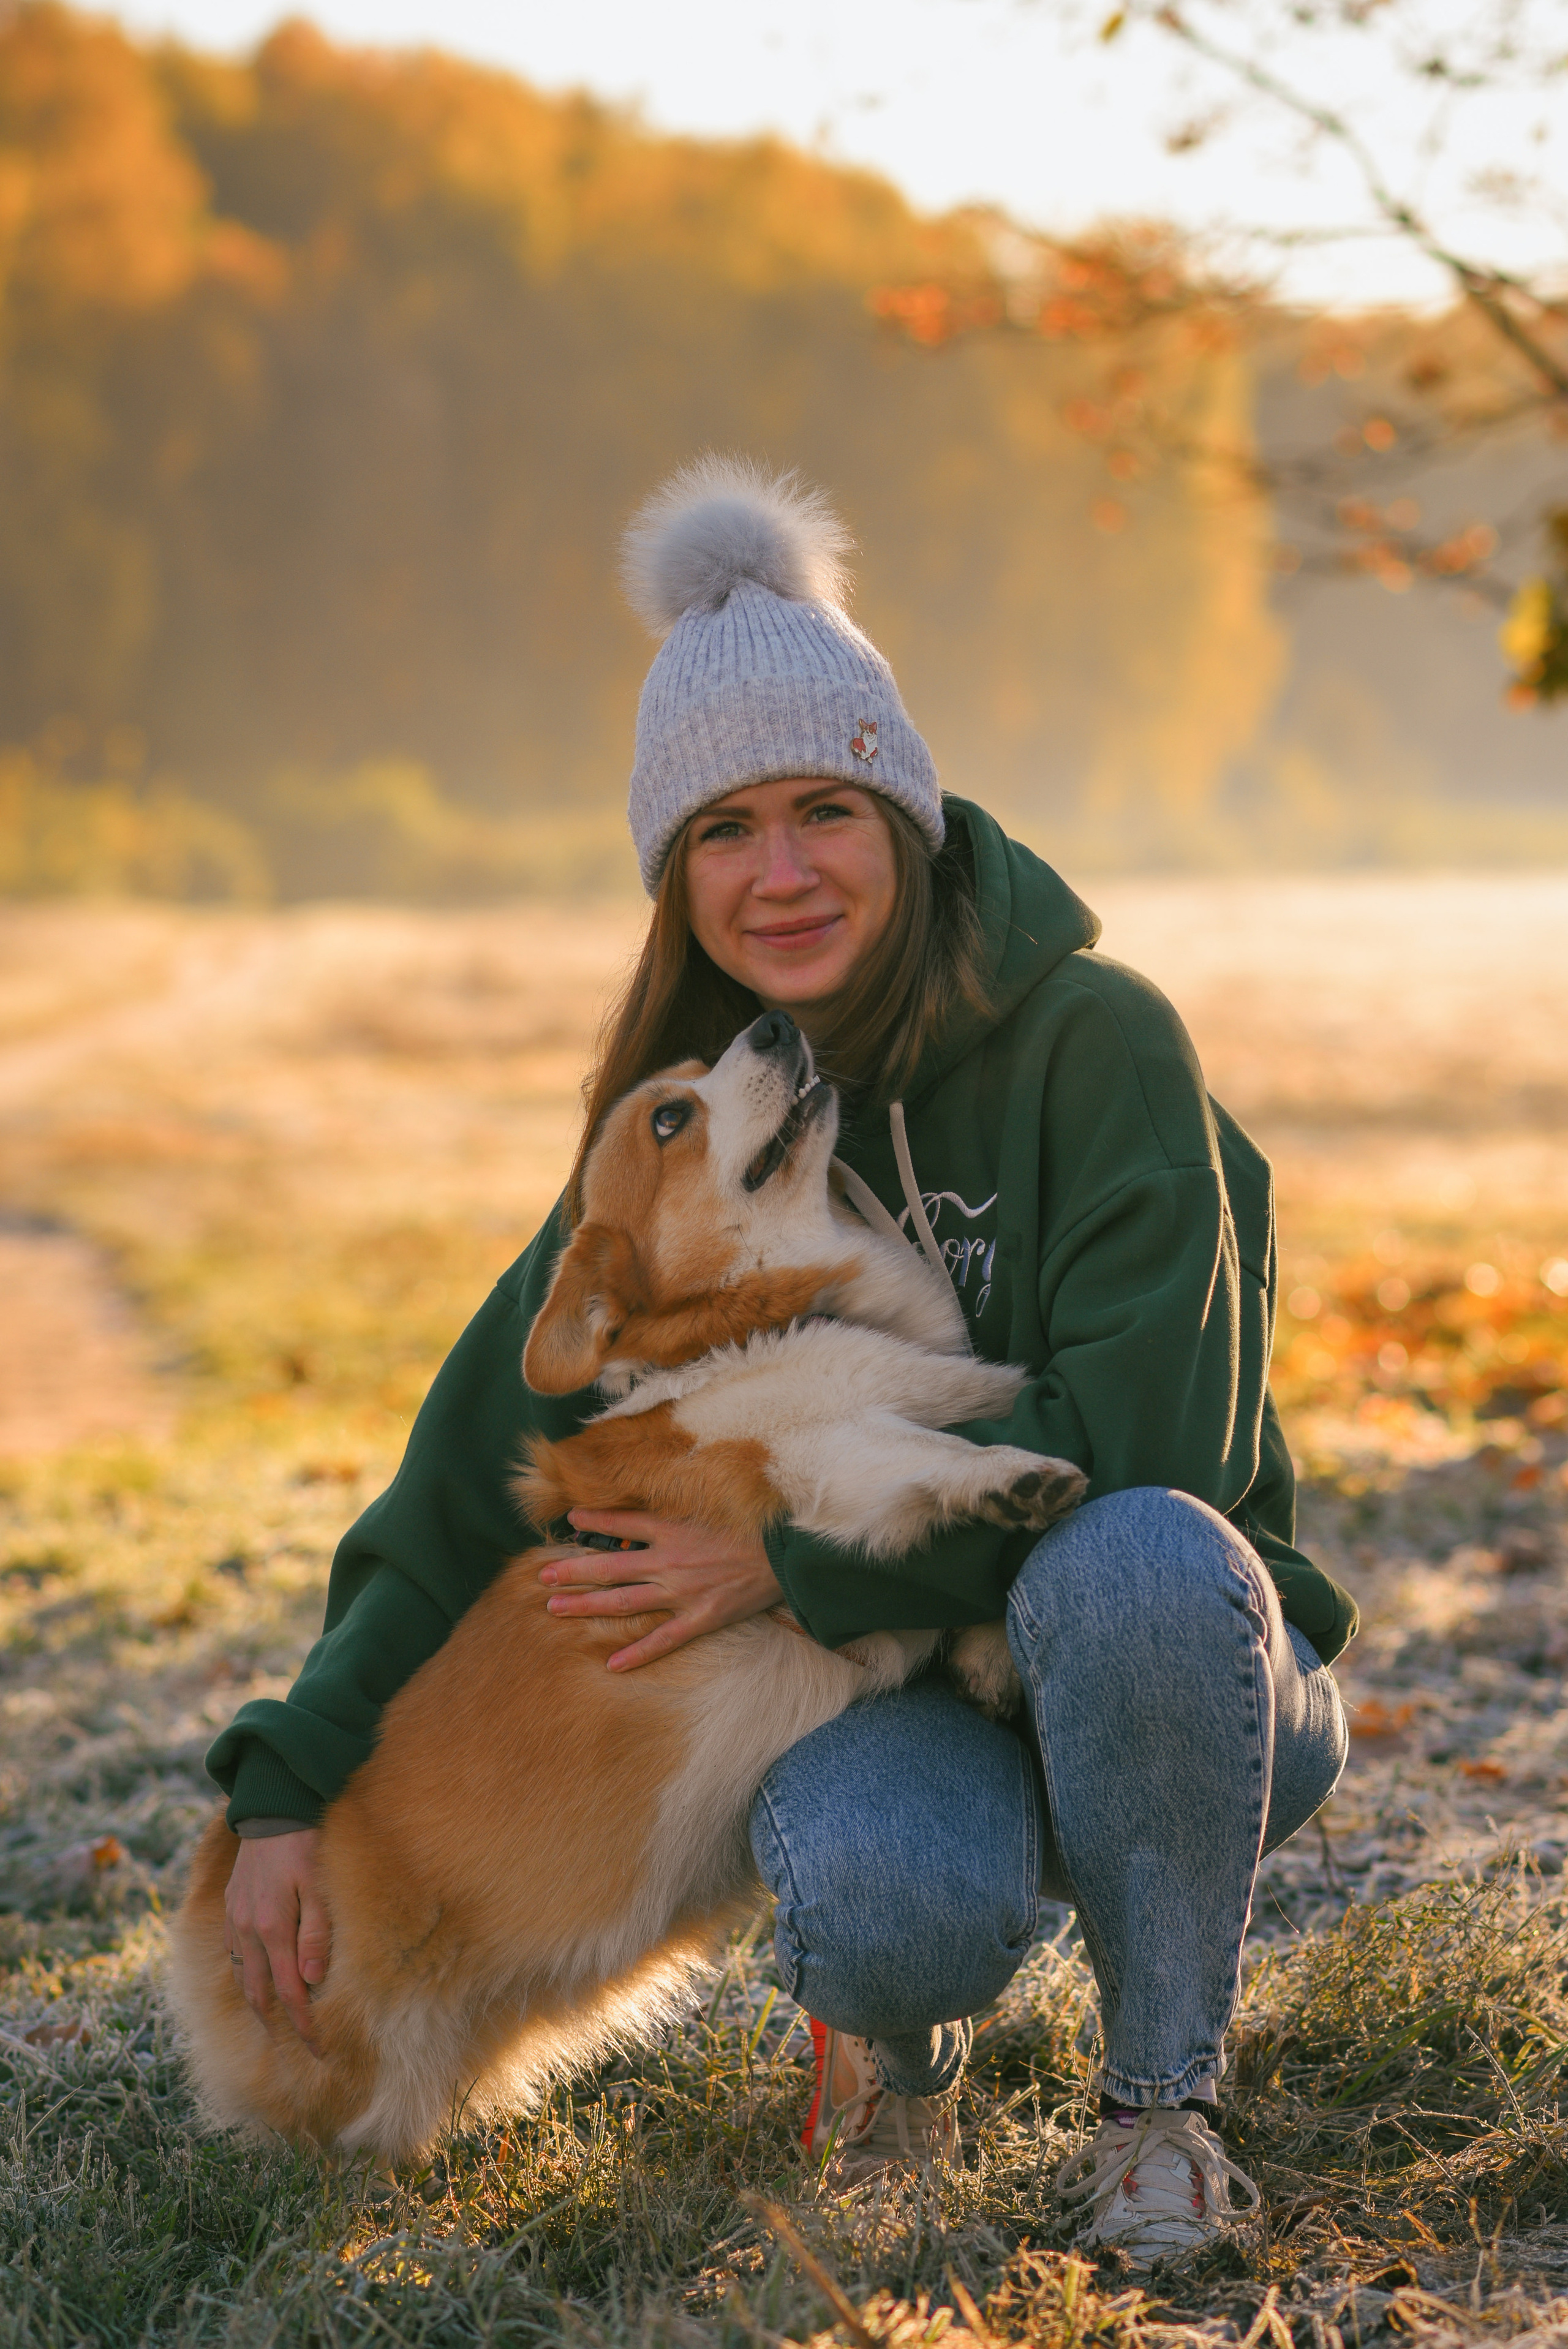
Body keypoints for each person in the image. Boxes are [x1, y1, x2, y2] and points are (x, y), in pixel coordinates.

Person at [209, 454, 1355, 2264]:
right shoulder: (705, 1124)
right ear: (678, 878)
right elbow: (456, 1492)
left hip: (1171, 1679)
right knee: (879, 1881)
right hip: (915, 1700)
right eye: (725, 832)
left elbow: (1158, 1446)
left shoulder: (1098, 1042)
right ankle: (890, 2065)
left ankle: (1161, 2107)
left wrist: (788, 1565)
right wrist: (285, 1784)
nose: (783, 871)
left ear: (907, 812)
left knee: (1134, 1555)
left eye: (826, 808)